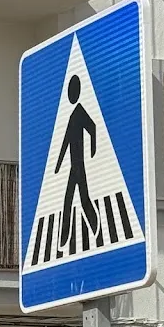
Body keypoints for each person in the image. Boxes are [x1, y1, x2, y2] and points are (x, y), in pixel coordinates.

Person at [55, 75, 98, 247]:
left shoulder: (79, 112)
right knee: (71, 199)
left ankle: (94, 228)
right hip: (74, 166)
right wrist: (57, 165)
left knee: (81, 198)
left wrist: (93, 150)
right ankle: (65, 237)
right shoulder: (72, 115)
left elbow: (93, 128)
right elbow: (65, 142)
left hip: (79, 165)